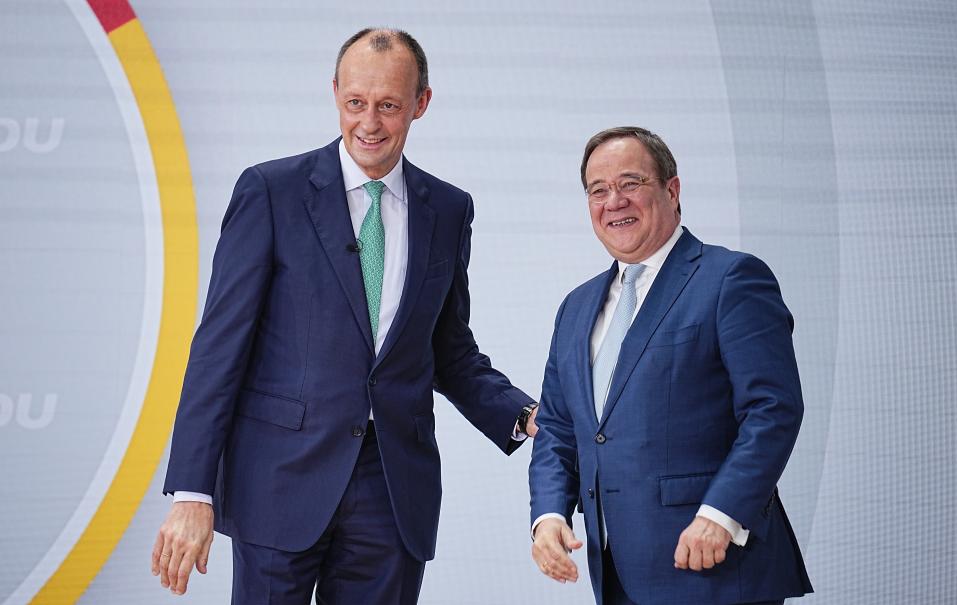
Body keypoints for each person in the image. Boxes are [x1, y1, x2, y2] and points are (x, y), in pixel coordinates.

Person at [150, 28, 539, 605]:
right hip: (278, 482)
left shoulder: (451, 210)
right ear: (335, 93)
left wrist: (527, 415)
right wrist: (193, 491)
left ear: (421, 103)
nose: (370, 123)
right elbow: (218, 348)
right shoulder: (271, 191)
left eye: (389, 105)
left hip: (392, 490)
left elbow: (448, 350)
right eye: (356, 102)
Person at [528, 127, 812, 605]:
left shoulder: (731, 279)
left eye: (630, 183)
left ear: (672, 190)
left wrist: (722, 514)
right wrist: (550, 516)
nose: (613, 201)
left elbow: (773, 409)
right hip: (615, 571)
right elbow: (558, 427)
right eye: (598, 190)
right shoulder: (575, 307)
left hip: (715, 567)